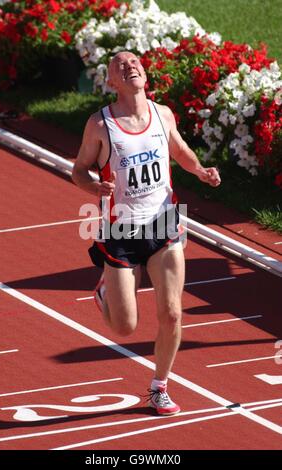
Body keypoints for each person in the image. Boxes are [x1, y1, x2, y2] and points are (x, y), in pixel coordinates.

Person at [72, 51, 221, 416]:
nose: (130, 66)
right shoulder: (100, 124)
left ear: (145, 74)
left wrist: (201, 171)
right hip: (119, 230)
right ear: (111, 83)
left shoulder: (162, 114)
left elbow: (180, 150)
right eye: (120, 66)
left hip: (164, 224)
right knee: (125, 326)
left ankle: (159, 387)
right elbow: (78, 170)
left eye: (135, 61)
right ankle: (106, 290)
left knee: (171, 313)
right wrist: (93, 188)